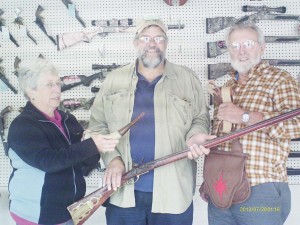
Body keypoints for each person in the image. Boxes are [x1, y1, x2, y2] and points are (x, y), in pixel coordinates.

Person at [89, 18, 214, 225]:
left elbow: (200, 117)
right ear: (136, 42)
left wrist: (194, 136)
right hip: (123, 192)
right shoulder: (114, 79)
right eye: (145, 38)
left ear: (166, 43)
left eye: (159, 38)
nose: (152, 43)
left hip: (174, 193)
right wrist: (113, 159)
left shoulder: (187, 78)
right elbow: (98, 124)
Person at [7, 58, 119, 225]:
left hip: (72, 212)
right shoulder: (22, 126)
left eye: (58, 84)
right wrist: (90, 145)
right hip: (37, 215)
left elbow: (83, 164)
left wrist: (93, 148)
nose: (57, 89)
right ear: (31, 91)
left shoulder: (68, 119)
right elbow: (49, 162)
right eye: (49, 84)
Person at [208, 23, 300, 225]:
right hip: (221, 187)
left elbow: (297, 124)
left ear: (262, 47)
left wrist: (245, 116)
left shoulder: (280, 79)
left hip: (259, 188)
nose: (241, 51)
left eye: (248, 44)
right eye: (235, 45)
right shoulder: (226, 88)